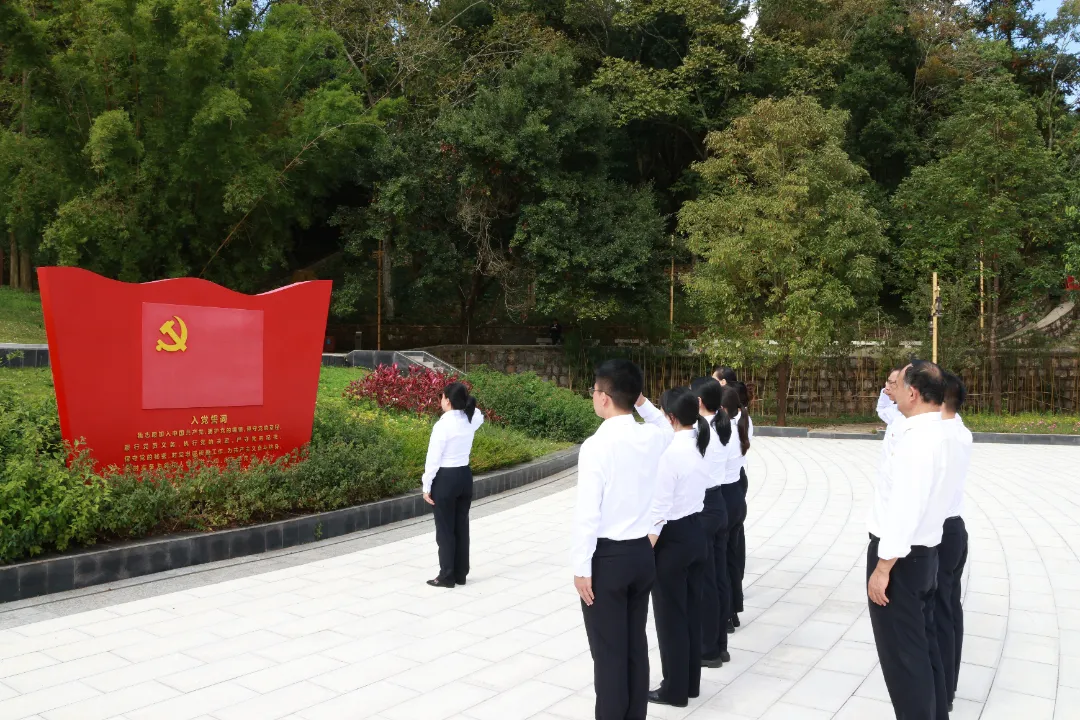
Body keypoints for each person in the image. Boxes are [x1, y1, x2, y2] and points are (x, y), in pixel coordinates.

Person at [572, 359, 669, 720]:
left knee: (609, 653)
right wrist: (640, 400)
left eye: (595, 391)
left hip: (608, 560)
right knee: (634, 646)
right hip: (641, 555)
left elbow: (588, 512)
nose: (593, 397)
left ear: (605, 397)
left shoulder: (596, 446)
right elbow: (665, 424)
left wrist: (581, 567)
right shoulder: (652, 437)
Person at [867, 360, 951, 720]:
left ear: (913, 393)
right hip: (923, 554)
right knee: (923, 649)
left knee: (904, 659)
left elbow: (904, 509)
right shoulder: (936, 431)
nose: (891, 391)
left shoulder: (918, 441)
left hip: (901, 559)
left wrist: (883, 567)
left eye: (896, 385)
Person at [636, 388, 710, 708]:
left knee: (670, 620)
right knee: (691, 614)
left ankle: (674, 690)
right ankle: (690, 684)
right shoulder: (700, 442)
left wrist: (644, 551)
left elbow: (659, 511)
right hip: (696, 533)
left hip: (673, 541)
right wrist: (642, 403)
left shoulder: (669, 454)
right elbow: (662, 422)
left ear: (671, 418)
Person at [422, 382, 484, 588]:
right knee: (461, 526)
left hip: (446, 479)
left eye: (442, 397)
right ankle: (460, 574)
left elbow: (433, 459)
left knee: (445, 529)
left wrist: (426, 485)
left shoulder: (443, 425)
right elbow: (479, 414)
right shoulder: (470, 419)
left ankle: (446, 576)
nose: (440, 400)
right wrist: (469, 402)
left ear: (447, 400)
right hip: (464, 476)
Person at [692, 379, 735, 669]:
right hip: (719, 502)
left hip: (705, 507)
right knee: (719, 578)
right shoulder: (723, 425)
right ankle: (720, 645)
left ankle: (708, 650)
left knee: (706, 582)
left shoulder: (700, 430)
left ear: (698, 402)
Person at [936, 371, 972, 713]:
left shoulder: (941, 438)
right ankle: (949, 685)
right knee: (950, 610)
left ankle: (943, 690)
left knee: (941, 615)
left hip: (941, 532)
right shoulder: (960, 430)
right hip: (955, 530)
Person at [719, 384, 750, 634]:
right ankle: (734, 610)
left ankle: (726, 614)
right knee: (732, 557)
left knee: (721, 560)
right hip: (736, 496)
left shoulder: (720, 433)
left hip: (724, 497)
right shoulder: (741, 425)